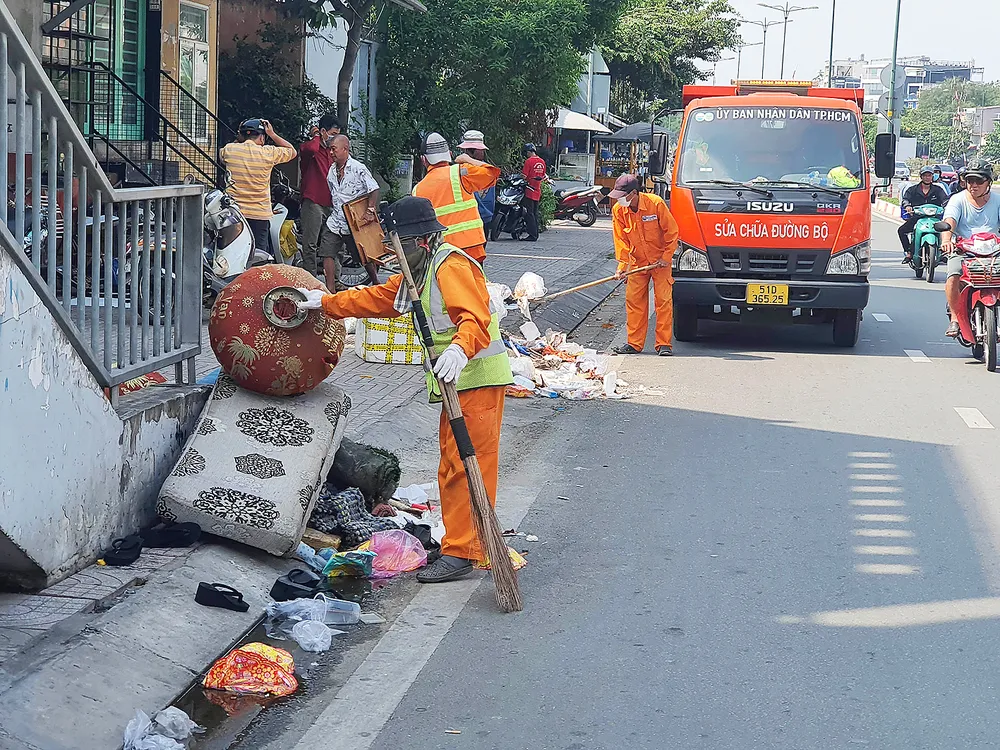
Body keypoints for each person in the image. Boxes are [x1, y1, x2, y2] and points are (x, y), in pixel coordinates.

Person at [294, 196, 513, 582]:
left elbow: (474, 319)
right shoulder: (422, 269)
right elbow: (380, 298)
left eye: (398, 245)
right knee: (452, 464)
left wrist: (461, 350)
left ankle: (464, 551)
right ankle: (462, 544)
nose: (393, 253)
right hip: (457, 382)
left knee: (466, 466)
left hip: (476, 378)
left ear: (421, 241)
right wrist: (326, 303)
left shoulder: (451, 266)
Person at [610, 173, 680, 356]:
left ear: (633, 193)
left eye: (622, 196)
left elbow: (671, 232)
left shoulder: (655, 204)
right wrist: (622, 267)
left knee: (663, 302)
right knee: (634, 302)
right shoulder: (619, 210)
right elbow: (621, 241)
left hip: (660, 262)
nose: (619, 200)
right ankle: (634, 343)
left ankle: (664, 344)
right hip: (637, 262)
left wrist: (666, 257)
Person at [413, 132, 499, 263]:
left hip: (441, 251)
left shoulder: (417, 190)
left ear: (423, 160)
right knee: (474, 282)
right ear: (450, 155)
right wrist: (468, 159)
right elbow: (491, 174)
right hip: (471, 246)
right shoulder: (460, 172)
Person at [220, 118, 296, 254]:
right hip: (259, 214)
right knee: (259, 256)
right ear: (262, 137)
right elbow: (292, 151)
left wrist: (240, 136)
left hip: (235, 214)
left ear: (242, 135)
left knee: (233, 253)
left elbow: (222, 157)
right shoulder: (268, 153)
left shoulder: (230, 150)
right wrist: (272, 134)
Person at [942, 159, 1000, 337]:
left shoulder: (997, 200)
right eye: (970, 181)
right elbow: (949, 221)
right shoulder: (957, 200)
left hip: (993, 251)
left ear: (988, 183)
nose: (974, 185)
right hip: (963, 250)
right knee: (953, 275)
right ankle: (954, 318)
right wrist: (947, 239)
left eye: (979, 181)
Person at [320, 134, 380, 290]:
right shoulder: (332, 171)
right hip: (336, 219)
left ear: (345, 149)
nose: (331, 153)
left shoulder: (358, 168)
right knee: (327, 252)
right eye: (330, 150)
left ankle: (376, 283)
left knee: (362, 256)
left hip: (353, 220)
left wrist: (370, 209)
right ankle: (330, 290)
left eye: (334, 149)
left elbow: (373, 189)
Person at [298, 114, 341, 276]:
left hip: (331, 203)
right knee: (310, 244)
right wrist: (316, 136)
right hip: (313, 201)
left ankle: (335, 279)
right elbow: (310, 149)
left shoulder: (333, 153)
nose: (335, 138)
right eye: (333, 134)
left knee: (333, 244)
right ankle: (310, 279)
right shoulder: (312, 149)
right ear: (323, 131)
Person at [899, 166, 949, 263]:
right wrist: (908, 206)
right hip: (917, 218)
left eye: (929, 175)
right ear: (921, 177)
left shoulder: (938, 190)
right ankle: (909, 252)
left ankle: (942, 251)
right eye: (925, 175)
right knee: (901, 231)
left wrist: (946, 206)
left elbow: (945, 200)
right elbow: (906, 199)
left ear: (932, 177)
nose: (927, 177)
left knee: (946, 230)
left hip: (935, 218)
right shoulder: (913, 189)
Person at [457, 130, 496, 236]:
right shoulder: (463, 168)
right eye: (481, 150)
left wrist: (468, 160)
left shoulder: (480, 168)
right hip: (475, 218)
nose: (483, 153)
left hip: (479, 217)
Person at [521, 143, 549, 241]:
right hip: (537, 190)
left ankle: (532, 235)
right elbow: (543, 175)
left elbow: (524, 176)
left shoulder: (529, 161)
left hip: (529, 189)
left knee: (529, 213)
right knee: (534, 213)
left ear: (529, 152)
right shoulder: (542, 161)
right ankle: (535, 233)